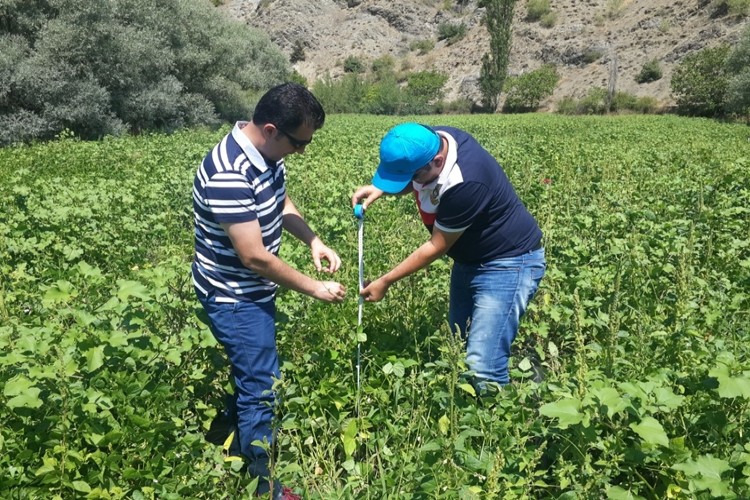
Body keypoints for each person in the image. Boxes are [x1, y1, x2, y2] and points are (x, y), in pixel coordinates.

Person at [193, 82, 346, 499]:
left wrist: (313, 240)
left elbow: (279, 202)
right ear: (272, 129)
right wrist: (314, 288)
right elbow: (254, 257)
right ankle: (265, 486)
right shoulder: (229, 172)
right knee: (262, 386)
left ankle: (224, 441)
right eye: (299, 143)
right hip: (234, 297)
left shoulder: (265, 155)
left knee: (252, 372)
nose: (302, 152)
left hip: (253, 292)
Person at [352, 122, 545, 390]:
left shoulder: (466, 182)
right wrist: (383, 188)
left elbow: (437, 245)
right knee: (459, 341)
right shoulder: (429, 140)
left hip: (509, 262)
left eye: (413, 176)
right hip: (470, 258)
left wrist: (385, 281)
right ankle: (502, 376)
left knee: (481, 366)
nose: (410, 183)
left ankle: (501, 415)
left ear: (438, 161)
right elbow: (414, 173)